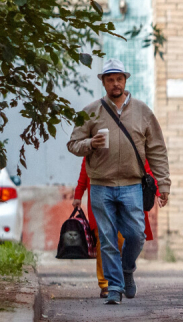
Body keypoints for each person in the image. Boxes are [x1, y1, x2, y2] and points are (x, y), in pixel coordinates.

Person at [67, 59, 169, 305]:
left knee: (136, 234)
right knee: (108, 238)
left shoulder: (143, 111)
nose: (115, 83)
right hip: (101, 186)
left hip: (132, 185)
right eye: (110, 79)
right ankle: (114, 287)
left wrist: (163, 184)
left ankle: (127, 269)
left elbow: (157, 150)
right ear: (103, 82)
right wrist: (90, 143)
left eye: (119, 79)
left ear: (126, 80)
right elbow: (73, 144)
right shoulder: (91, 111)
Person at [73, 160, 155, 298]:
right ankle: (106, 283)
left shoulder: (132, 141)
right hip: (101, 197)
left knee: (126, 239)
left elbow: (145, 167)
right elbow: (85, 172)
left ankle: (125, 272)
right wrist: (78, 195)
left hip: (126, 198)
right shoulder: (97, 144)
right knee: (104, 241)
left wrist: (158, 189)